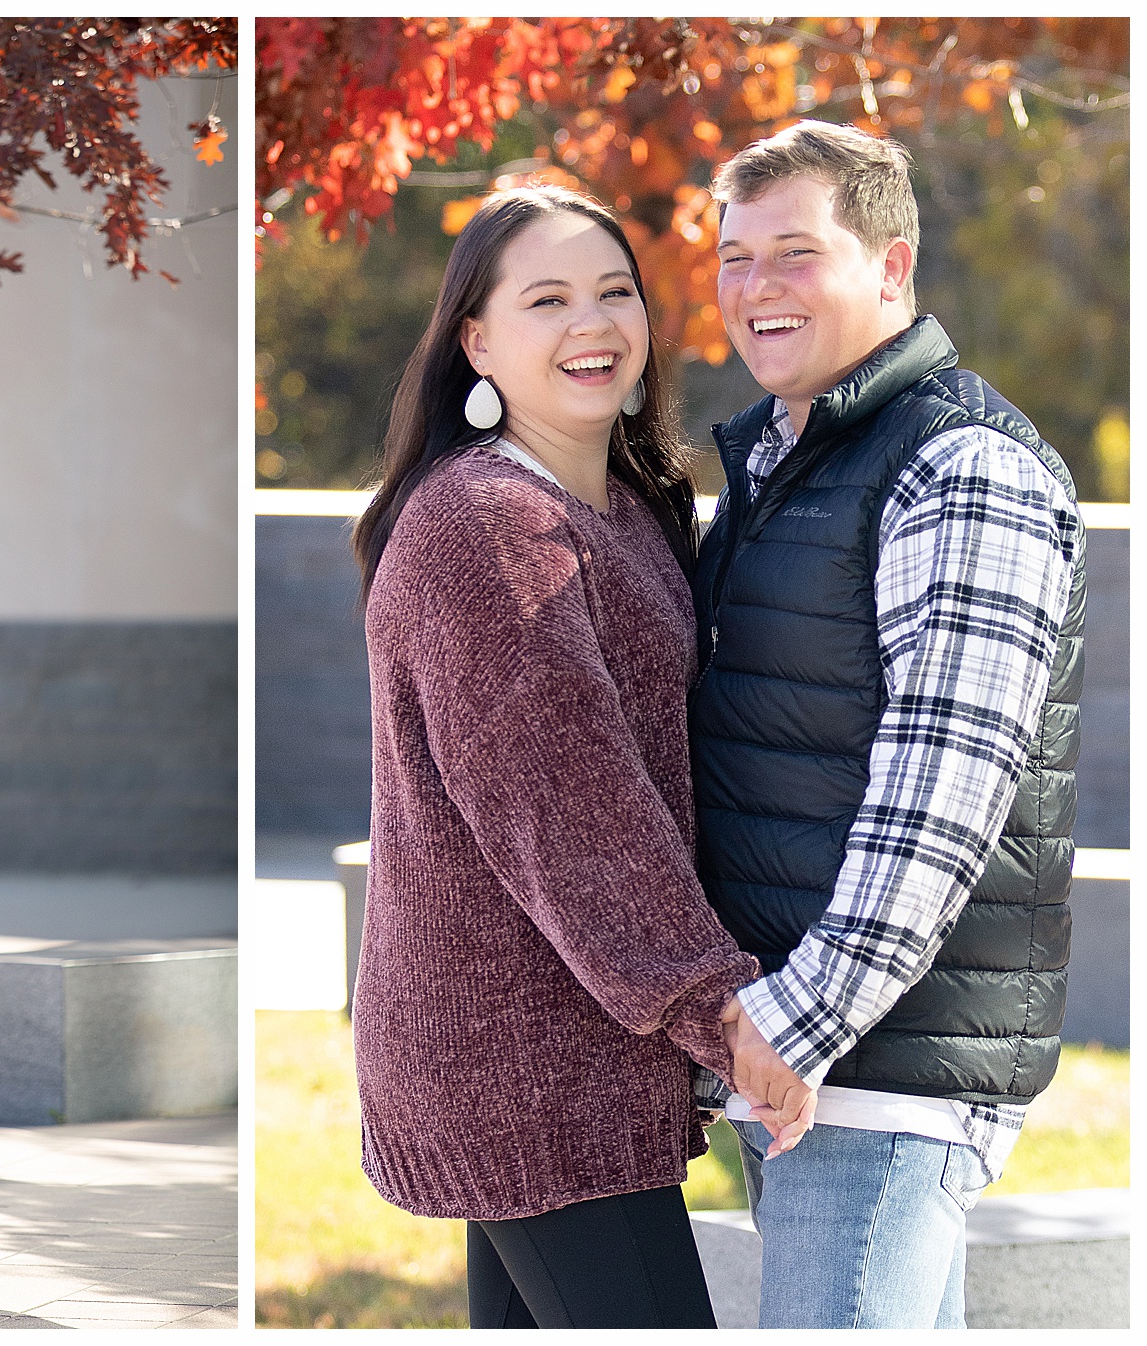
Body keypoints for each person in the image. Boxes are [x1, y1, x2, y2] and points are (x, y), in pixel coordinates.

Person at [349, 185, 816, 1330]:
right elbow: (568, 811)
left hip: (573, 1051)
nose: (591, 324)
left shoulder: (623, 506)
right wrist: (727, 1014)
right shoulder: (486, 523)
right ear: (477, 338)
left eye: (615, 292)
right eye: (548, 298)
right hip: (523, 1069)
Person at [690, 121, 1084, 1329]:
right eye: (735, 256)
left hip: (878, 1066)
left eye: (795, 253)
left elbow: (945, 786)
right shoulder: (786, 456)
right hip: (817, 1062)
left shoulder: (958, 464)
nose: (756, 288)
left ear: (892, 268)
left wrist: (797, 1016)